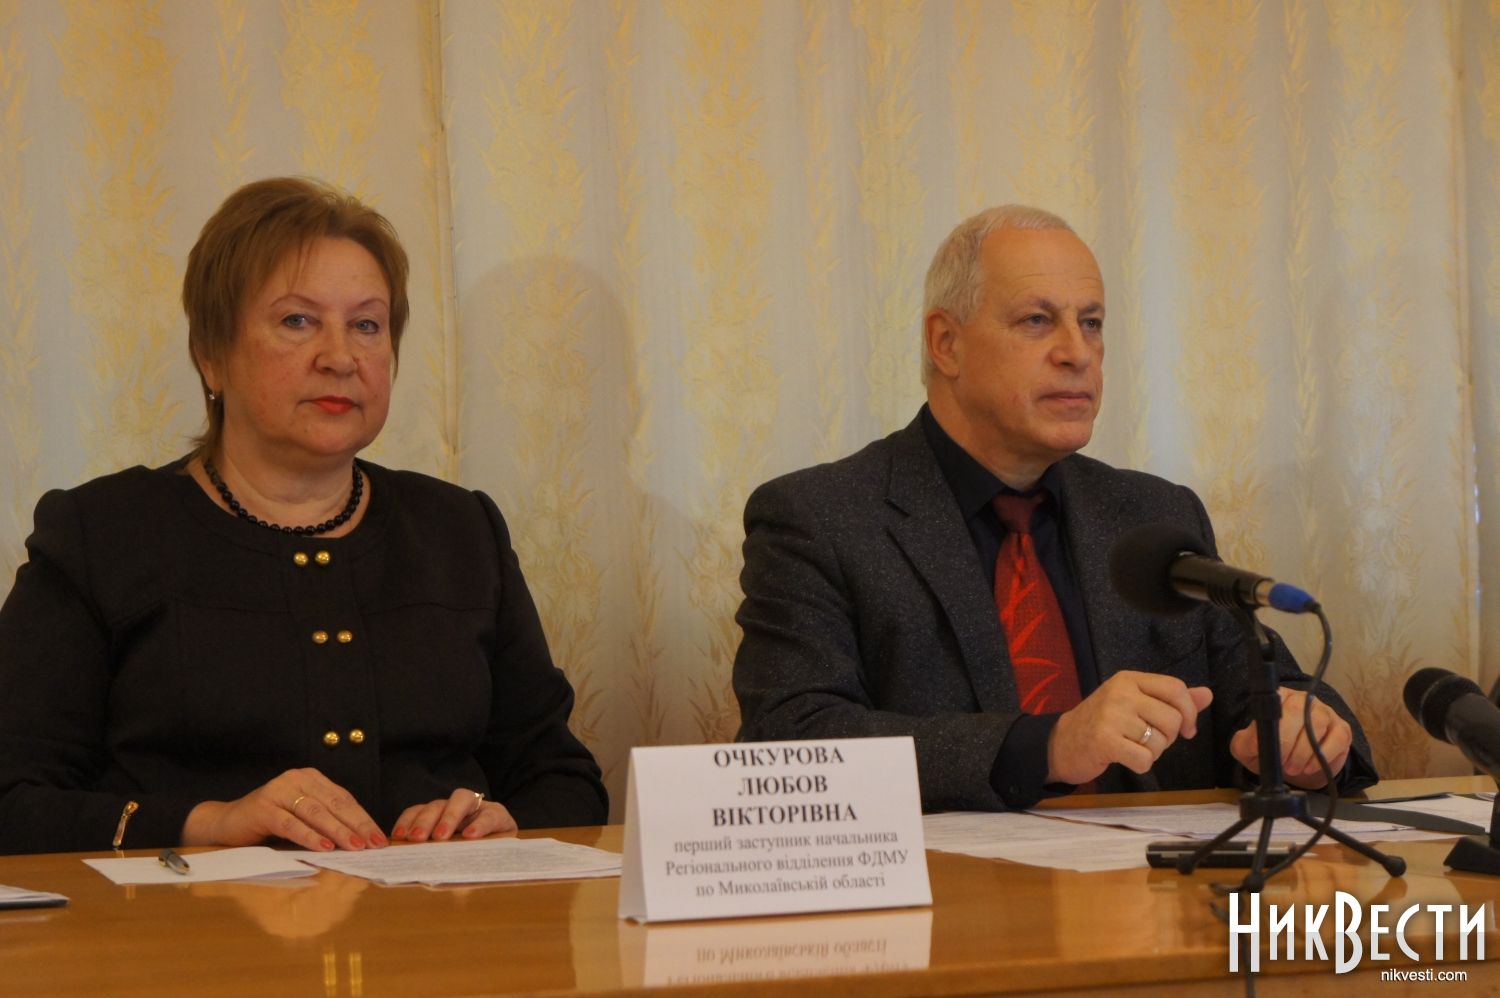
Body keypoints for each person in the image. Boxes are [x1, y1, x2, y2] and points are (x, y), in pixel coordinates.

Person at [0, 177, 606, 855]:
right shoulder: (100, 534)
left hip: (430, 917)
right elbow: (14, 798)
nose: (340, 358)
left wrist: (499, 819)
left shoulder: (460, 530)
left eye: (367, 325)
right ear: (211, 355)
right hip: (189, 918)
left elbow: (563, 779)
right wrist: (210, 822)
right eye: (297, 321)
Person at [732, 205, 1376, 812]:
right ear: (946, 343)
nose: (1077, 352)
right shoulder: (821, 519)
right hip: (957, 891)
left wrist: (1302, 742)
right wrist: (1048, 746)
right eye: (1037, 320)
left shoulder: (1151, 515)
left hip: (1154, 884)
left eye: (1091, 322)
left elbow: (1262, 695)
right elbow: (790, 743)